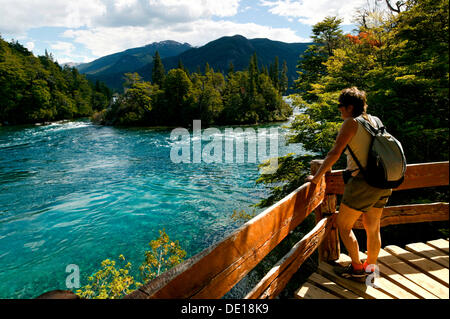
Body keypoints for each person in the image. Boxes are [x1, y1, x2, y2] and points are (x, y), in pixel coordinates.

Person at [306, 87, 392, 279]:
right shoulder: (375, 119)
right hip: (383, 181)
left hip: (363, 182)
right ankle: (370, 269)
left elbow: (334, 153)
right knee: (373, 228)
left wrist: (317, 177)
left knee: (343, 225)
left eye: (340, 106)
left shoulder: (351, 123)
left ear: (349, 107)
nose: (339, 109)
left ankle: (357, 268)